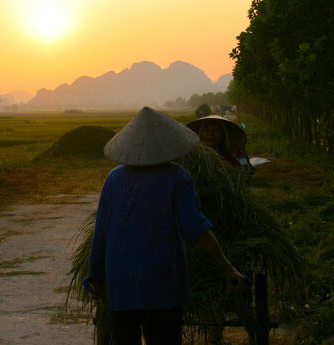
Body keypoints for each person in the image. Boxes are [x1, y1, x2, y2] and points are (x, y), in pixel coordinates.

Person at [84, 107, 245, 345]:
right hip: (161, 281)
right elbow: (195, 226)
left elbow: (102, 231)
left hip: (121, 281)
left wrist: (95, 276)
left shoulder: (114, 178)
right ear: (168, 145)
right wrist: (227, 266)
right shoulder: (177, 176)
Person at [187, 115, 253, 172]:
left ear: (224, 136)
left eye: (215, 130)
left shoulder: (231, 162)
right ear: (200, 135)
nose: (210, 134)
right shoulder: (193, 161)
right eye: (206, 130)